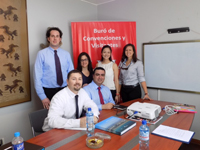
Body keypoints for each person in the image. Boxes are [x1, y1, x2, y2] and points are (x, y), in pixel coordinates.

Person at [34, 27, 74, 109]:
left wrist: (72, 91)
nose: (55, 38)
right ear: (48, 38)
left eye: (57, 36)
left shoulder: (66, 54)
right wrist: (43, 97)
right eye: (52, 36)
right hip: (48, 92)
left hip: (65, 90)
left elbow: (72, 75)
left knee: (67, 115)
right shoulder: (41, 54)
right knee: (52, 118)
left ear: (60, 39)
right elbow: (37, 77)